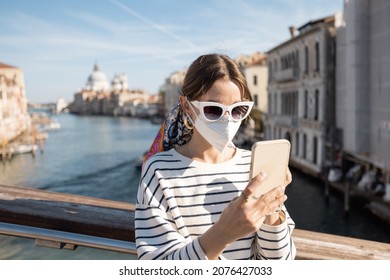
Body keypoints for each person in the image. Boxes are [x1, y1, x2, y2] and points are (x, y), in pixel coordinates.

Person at [135, 53, 296, 260]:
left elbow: (281, 263)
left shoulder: (253, 165)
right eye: (213, 109)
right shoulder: (158, 172)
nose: (228, 120)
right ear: (186, 106)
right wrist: (222, 234)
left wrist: (271, 208)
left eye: (238, 110)